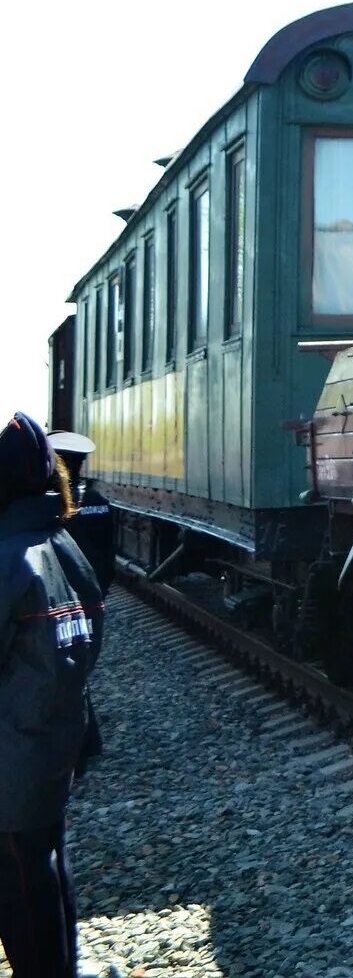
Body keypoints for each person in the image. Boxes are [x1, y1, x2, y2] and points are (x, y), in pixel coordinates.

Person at [0, 411, 104, 978]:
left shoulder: (11, 559)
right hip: (53, 743)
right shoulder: (65, 546)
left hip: (12, 755)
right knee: (45, 869)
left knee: (20, 892)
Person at [41, 435, 111, 596]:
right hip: (91, 589)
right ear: (81, 464)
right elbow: (107, 552)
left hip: (55, 593)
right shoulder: (98, 502)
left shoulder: (43, 503)